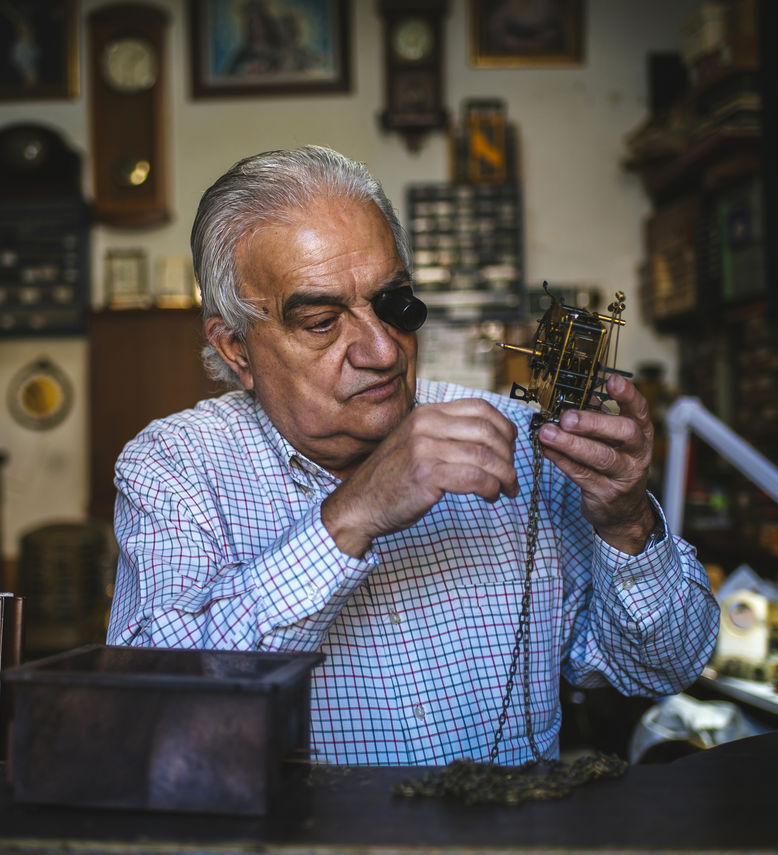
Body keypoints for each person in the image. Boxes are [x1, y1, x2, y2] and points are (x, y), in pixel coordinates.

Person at [107, 145, 719, 767]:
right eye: (321, 321)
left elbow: (663, 670)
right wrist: (351, 516)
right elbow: (154, 712)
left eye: (393, 304)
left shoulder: (515, 441)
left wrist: (627, 524)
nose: (382, 350)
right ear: (236, 348)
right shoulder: (174, 467)